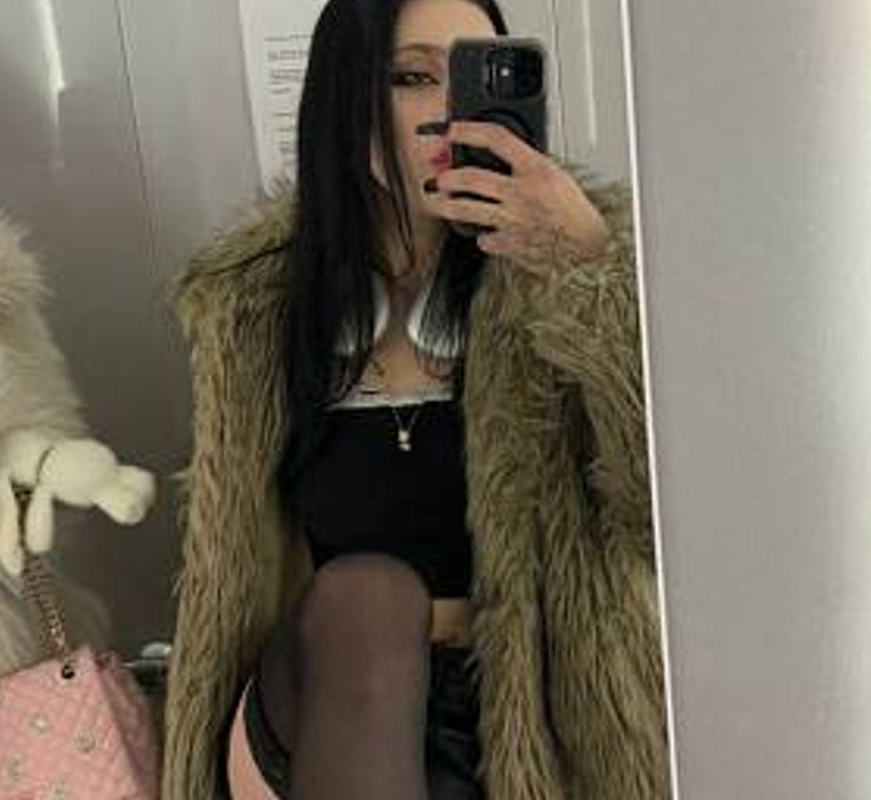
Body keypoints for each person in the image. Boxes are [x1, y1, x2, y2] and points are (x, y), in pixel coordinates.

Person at [161, 0, 668, 797]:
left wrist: (586, 275)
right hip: (321, 706)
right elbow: (226, 583)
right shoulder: (257, 303)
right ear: (349, 96)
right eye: (413, 78)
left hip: (525, 721)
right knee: (371, 597)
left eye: (471, 77)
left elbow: (660, 518)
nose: (448, 112)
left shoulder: (579, 265)